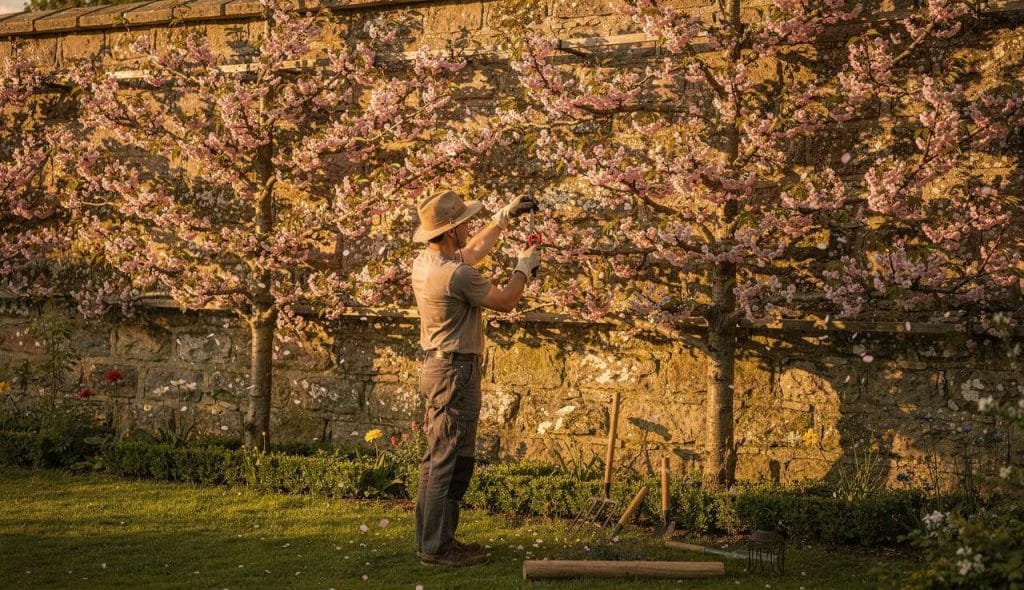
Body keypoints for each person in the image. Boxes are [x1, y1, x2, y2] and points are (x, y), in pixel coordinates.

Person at [411, 190, 539, 567]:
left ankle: (435, 539)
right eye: (464, 222)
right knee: (448, 459)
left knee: (440, 457)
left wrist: (502, 218)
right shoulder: (456, 275)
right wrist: (523, 268)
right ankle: (436, 548)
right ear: (451, 232)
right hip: (456, 371)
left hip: (441, 368)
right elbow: (504, 301)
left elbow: (472, 253)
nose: (469, 226)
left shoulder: (428, 263)